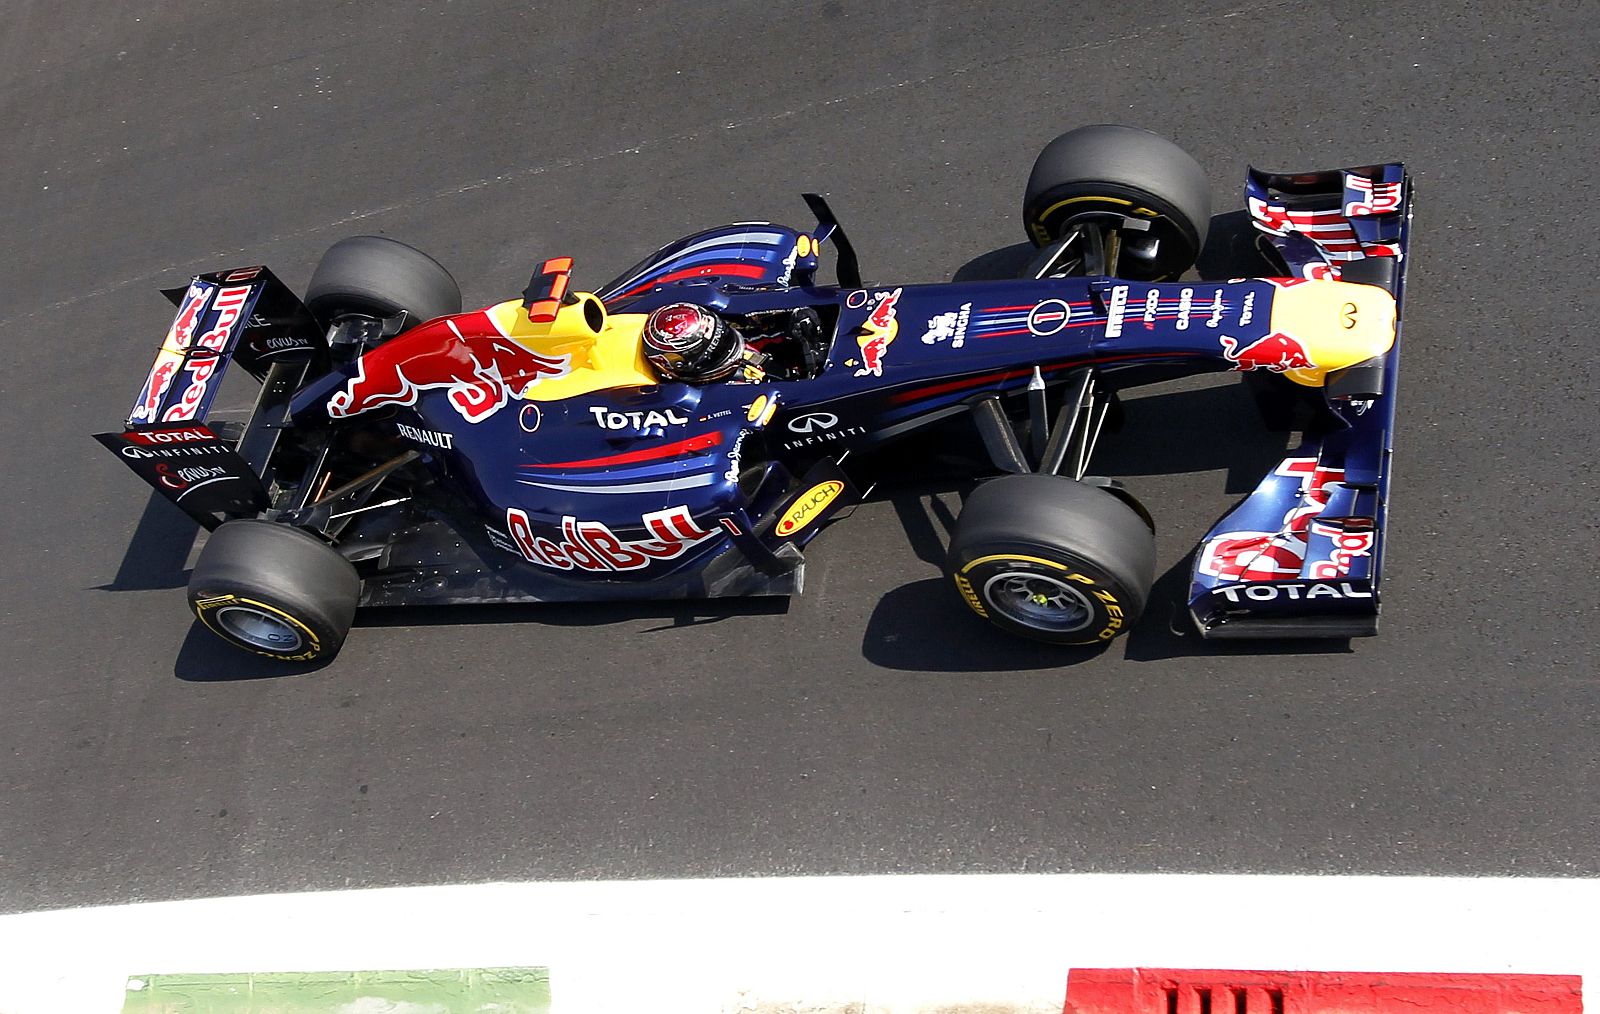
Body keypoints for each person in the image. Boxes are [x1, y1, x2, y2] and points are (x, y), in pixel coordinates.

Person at [641, 302, 824, 384]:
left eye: (723, 336)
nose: (727, 348)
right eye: (715, 352)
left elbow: (758, 335)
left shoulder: (733, 343)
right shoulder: (715, 395)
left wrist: (794, 321)